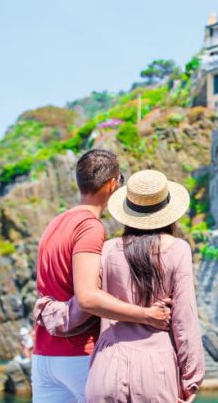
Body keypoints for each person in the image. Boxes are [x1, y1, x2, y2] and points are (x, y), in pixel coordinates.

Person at [32, 150, 172, 403]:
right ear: (112, 184)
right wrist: (147, 315)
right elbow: (87, 298)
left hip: (44, 355)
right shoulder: (89, 226)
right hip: (79, 354)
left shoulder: (55, 223)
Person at [85, 169, 205, 402]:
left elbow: (89, 302)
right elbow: (184, 319)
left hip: (107, 365)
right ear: (167, 212)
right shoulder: (178, 249)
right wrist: (191, 380)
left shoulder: (108, 249)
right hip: (155, 369)